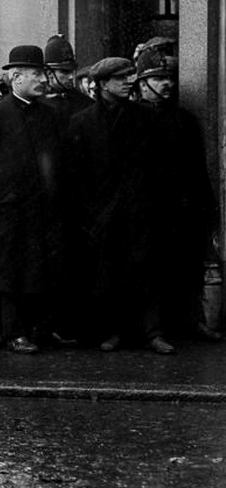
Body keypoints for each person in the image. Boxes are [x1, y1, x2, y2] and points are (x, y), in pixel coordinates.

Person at [0, 45, 68, 354]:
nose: (43, 80)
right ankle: (13, 332)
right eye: (36, 74)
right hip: (7, 212)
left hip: (42, 211)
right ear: (16, 77)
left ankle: (38, 329)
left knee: (38, 270)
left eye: (43, 74)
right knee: (9, 273)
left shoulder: (50, 114)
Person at [68, 57, 174, 354]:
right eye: (121, 77)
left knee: (147, 274)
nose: (129, 81)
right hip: (102, 214)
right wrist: (91, 214)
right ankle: (114, 332)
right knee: (108, 275)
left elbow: (160, 168)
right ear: (102, 84)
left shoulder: (146, 118)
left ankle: (153, 333)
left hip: (141, 211)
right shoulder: (82, 122)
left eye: (131, 76)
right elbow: (76, 176)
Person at [135, 47, 221, 341]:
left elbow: (197, 168)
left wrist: (207, 207)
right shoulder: (133, 120)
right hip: (148, 211)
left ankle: (189, 321)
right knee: (152, 273)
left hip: (183, 209)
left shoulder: (184, 119)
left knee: (186, 267)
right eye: (157, 79)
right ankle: (154, 329)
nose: (166, 84)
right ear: (142, 84)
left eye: (168, 78)